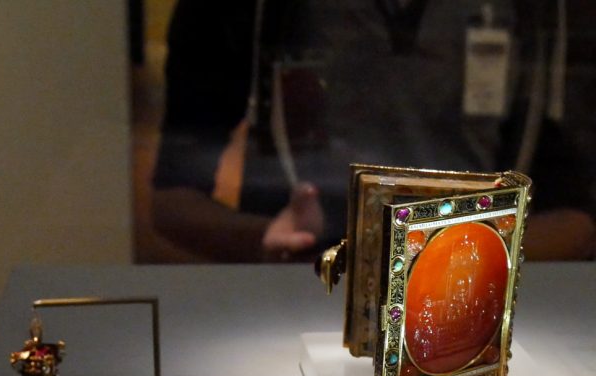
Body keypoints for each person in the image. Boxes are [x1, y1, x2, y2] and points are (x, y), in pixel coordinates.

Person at [151, 0, 596, 262]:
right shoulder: (250, 10)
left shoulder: (540, 12)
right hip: (300, 295)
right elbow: (171, 202)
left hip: (474, 306)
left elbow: (576, 220)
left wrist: (457, 257)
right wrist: (268, 240)